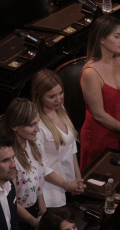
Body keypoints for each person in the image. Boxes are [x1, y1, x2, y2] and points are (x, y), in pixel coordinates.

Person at [80, 15, 120, 171]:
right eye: (117, 36)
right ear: (102, 39)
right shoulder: (90, 73)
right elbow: (98, 114)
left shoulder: (117, 59)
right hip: (100, 137)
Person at [31, 69, 85, 208]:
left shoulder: (61, 110)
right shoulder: (37, 125)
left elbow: (71, 148)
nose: (58, 99)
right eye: (51, 96)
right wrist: (66, 184)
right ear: (39, 96)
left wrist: (77, 179)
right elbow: (41, 166)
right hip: (52, 192)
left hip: (70, 184)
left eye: (60, 93)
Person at [4, 98, 47, 230]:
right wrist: (35, 222)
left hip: (35, 209)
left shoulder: (36, 143)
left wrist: (43, 210)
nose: (38, 129)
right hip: (20, 218)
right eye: (31, 125)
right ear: (15, 126)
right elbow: (11, 201)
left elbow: (39, 180)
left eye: (37, 123)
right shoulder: (9, 158)